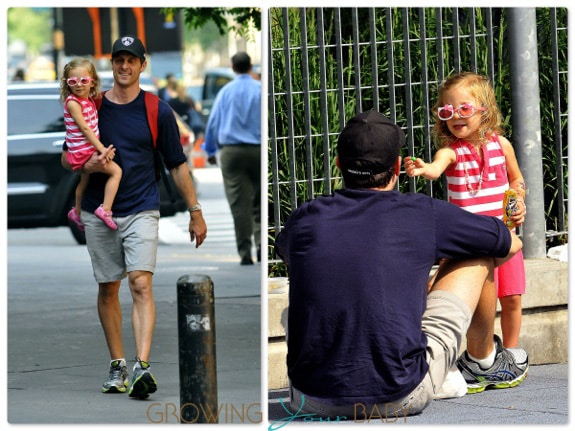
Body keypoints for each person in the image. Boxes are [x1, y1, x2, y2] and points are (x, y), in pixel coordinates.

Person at [275, 110, 528, 418]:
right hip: (401, 394)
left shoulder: (305, 218)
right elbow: (509, 244)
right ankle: (482, 360)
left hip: (309, 397)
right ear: (397, 166)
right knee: (479, 252)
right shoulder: (421, 213)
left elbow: (292, 256)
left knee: (298, 304)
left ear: (339, 164)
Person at [61, 35, 207, 399]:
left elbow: (177, 164)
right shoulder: (91, 104)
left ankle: (142, 366)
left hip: (143, 205)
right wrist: (87, 163)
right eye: (118, 60)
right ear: (111, 65)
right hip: (99, 209)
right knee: (108, 286)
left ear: (144, 65)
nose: (124, 66)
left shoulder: (156, 109)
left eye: (132, 60)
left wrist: (195, 211)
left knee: (140, 283)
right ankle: (118, 365)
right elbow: (66, 156)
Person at [404, 72, 527, 349]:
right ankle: (480, 353)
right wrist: (426, 169)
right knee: (476, 305)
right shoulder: (452, 151)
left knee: (512, 298)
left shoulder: (502, 145)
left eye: (464, 108)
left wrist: (519, 200)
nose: (456, 116)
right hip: (470, 242)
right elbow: (437, 168)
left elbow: (516, 179)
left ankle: (510, 352)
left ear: (484, 110)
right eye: (447, 110)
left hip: (505, 236)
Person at [203, 52, 261, 265]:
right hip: (258, 149)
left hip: (232, 151)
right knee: (259, 198)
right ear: (250, 66)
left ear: (233, 67)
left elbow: (213, 124)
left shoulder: (225, 92)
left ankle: (245, 252)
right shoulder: (260, 89)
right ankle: (261, 243)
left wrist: (210, 151)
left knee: (239, 203)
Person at [61, 58, 122, 231]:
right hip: (83, 152)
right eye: (73, 81)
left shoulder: (88, 100)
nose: (79, 85)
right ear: (67, 83)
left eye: (84, 80)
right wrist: (101, 148)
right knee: (116, 172)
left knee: (84, 181)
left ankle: (77, 212)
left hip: (84, 150)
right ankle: (105, 209)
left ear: (92, 81)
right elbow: (86, 129)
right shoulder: (73, 103)